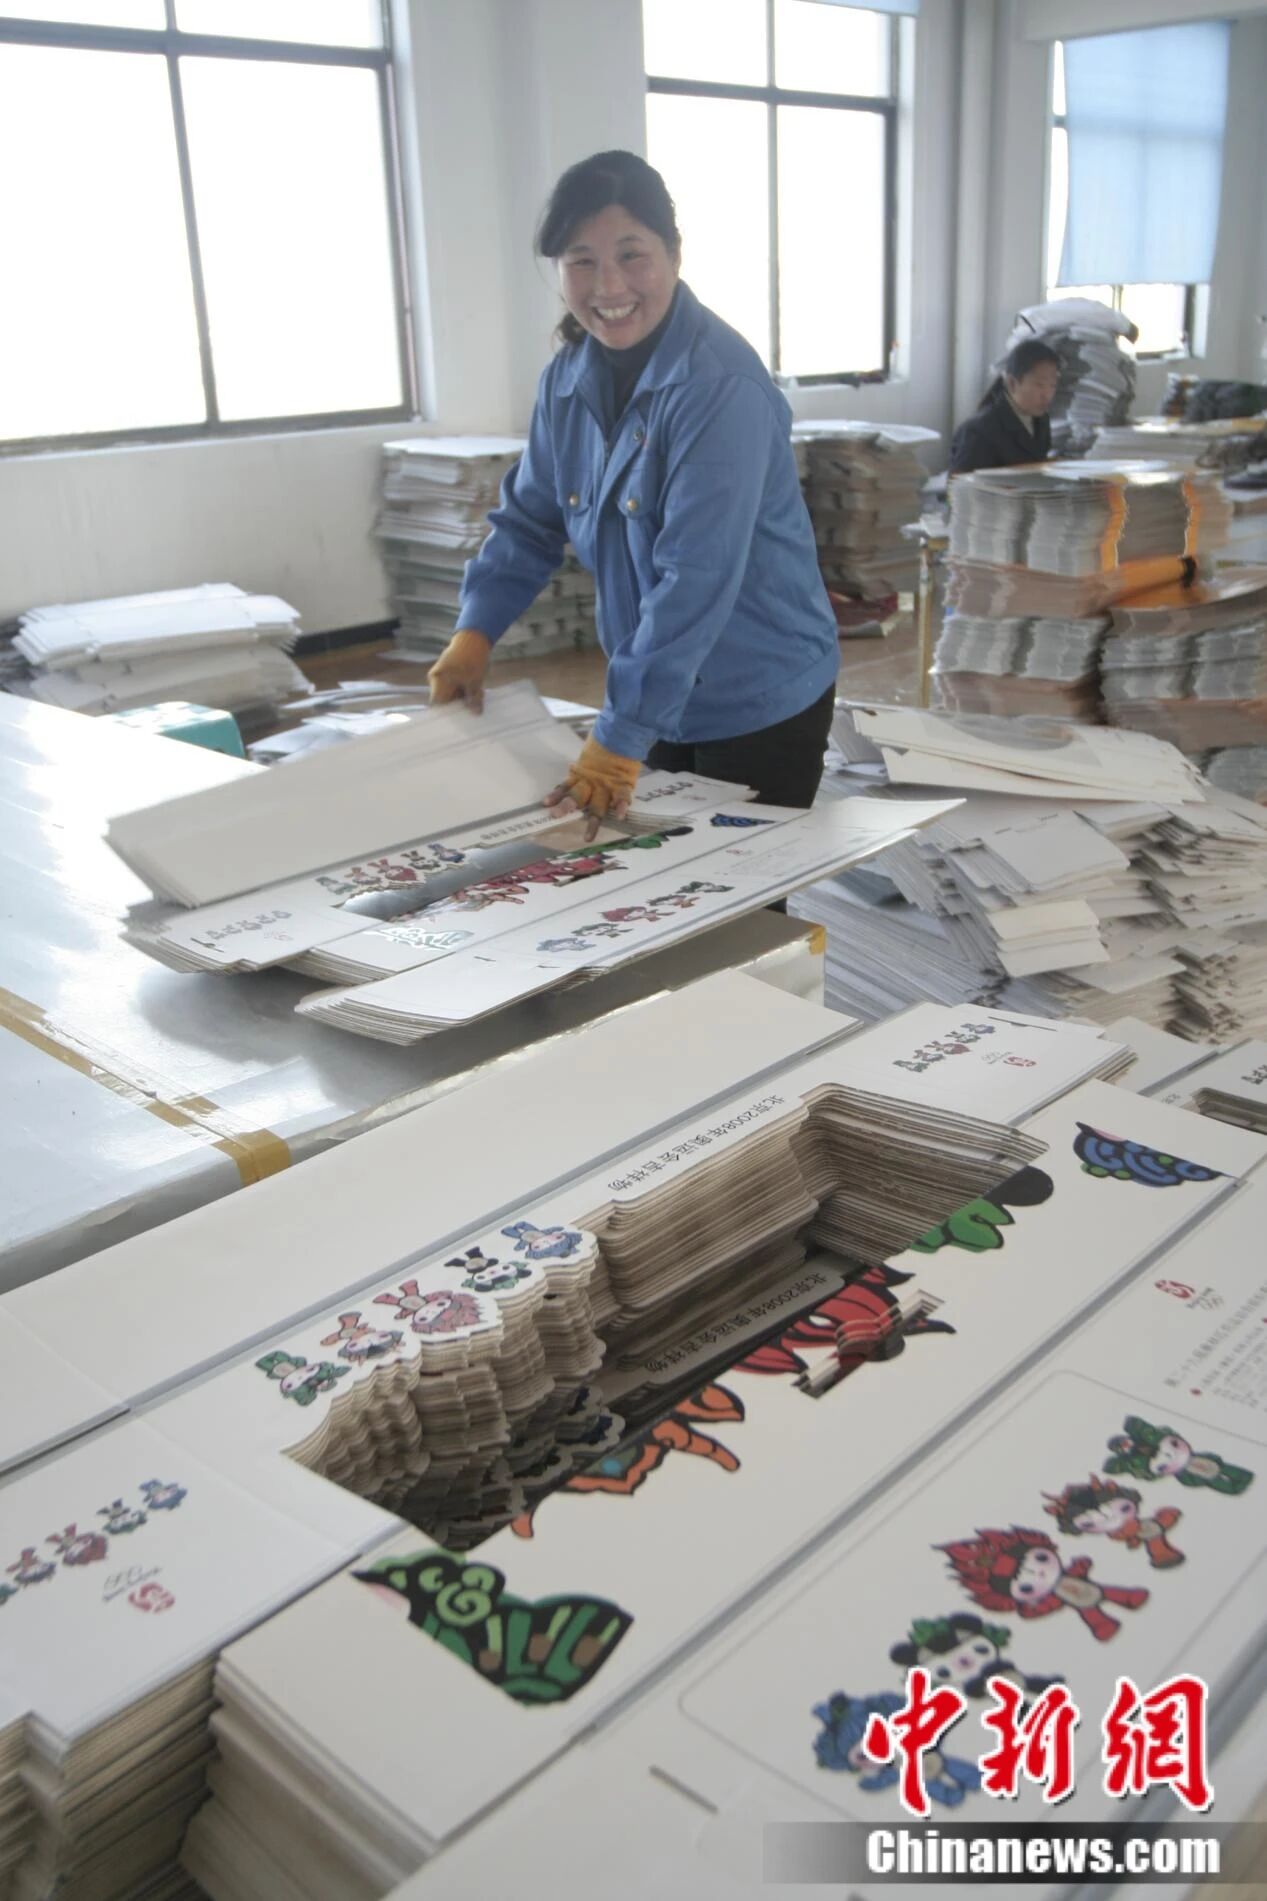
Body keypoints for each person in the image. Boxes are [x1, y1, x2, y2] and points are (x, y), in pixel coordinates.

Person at [427, 150, 839, 827]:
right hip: (659, 687)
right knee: (661, 875)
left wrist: (618, 738)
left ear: (673, 254)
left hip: (757, 693)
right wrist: (475, 631)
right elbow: (529, 521)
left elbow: (695, 577)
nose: (608, 284)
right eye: (582, 261)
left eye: (630, 255)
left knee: (737, 884)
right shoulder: (568, 380)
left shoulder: (719, 388)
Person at [948, 338, 1061, 477]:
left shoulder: (1041, 420)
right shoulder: (979, 431)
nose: (1047, 395)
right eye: (1040, 385)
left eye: (1052, 385)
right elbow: (959, 484)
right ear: (1012, 383)